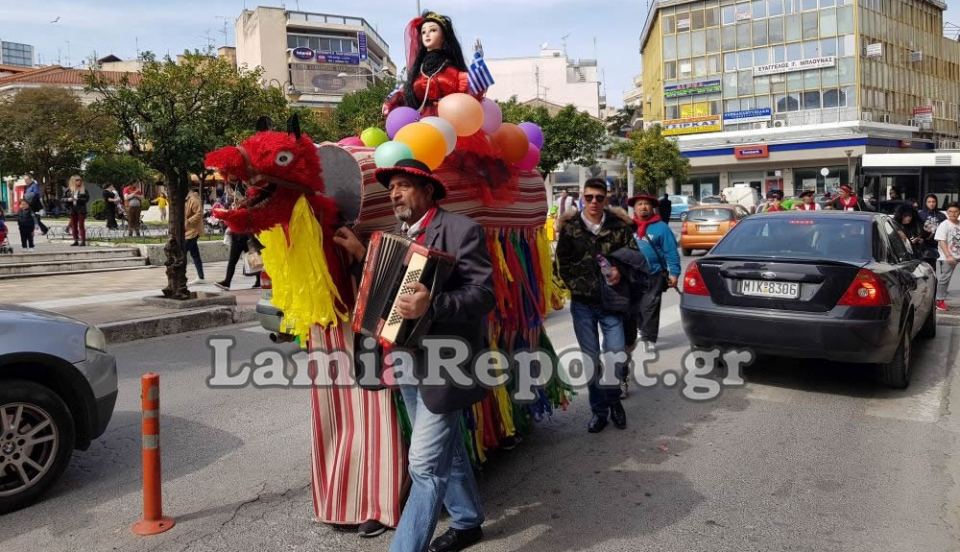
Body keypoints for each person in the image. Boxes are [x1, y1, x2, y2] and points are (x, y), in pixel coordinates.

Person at [335, 158, 494, 552]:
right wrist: (361, 257)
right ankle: (468, 521)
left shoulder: (461, 231)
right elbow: (383, 296)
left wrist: (434, 305)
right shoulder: (395, 236)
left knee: (423, 464)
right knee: (448, 448)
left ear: (427, 191)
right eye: (391, 188)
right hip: (406, 360)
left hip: (446, 362)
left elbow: (484, 294)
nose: (394, 193)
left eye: (403, 185)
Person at [556, 178, 637, 434]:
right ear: (582, 197)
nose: (594, 202)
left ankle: (614, 401)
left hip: (612, 302)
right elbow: (562, 263)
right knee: (591, 361)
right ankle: (599, 411)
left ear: (607, 199)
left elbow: (634, 257)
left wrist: (619, 272)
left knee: (614, 355)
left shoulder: (619, 227)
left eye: (599, 198)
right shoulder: (570, 228)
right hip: (583, 304)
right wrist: (575, 285)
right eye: (589, 197)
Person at [626, 193, 681, 354]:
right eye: (639, 204)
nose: (643, 207)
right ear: (634, 208)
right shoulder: (628, 226)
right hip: (631, 275)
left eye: (646, 204)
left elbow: (671, 251)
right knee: (634, 306)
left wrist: (674, 273)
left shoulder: (661, 227)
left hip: (654, 273)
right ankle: (640, 329)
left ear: (652, 208)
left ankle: (649, 337)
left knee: (650, 305)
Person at [934, 202, 960, 312]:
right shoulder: (944, 224)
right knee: (945, 279)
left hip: (958, 254)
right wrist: (948, 255)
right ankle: (939, 301)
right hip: (947, 257)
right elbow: (941, 241)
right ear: (947, 212)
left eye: (956, 211)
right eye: (950, 211)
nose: (953, 214)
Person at [185, 185, 206, 285]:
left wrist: (188, 221)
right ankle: (201, 276)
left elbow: (199, 213)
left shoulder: (193, 199)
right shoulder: (187, 199)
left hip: (193, 231)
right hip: (189, 231)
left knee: (182, 253)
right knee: (195, 254)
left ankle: (181, 277)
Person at [918, 194, 945, 266]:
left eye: (933, 202)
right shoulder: (920, 214)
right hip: (923, 244)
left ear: (936, 203)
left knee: (933, 266)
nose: (931, 204)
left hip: (936, 244)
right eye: (929, 202)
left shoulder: (941, 215)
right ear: (925, 203)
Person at [64, 175, 89, 246]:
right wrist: (68, 199)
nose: (79, 181)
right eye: (77, 180)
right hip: (72, 209)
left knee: (81, 225)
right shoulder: (68, 190)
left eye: (80, 180)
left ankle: (83, 241)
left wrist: (77, 199)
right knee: (73, 225)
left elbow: (86, 199)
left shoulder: (83, 190)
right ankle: (75, 240)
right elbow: (62, 199)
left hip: (81, 210)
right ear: (73, 181)